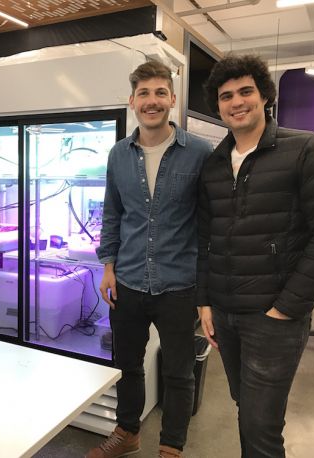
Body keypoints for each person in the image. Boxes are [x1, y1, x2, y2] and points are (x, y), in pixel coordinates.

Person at [197, 54, 314, 457]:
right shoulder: (213, 164)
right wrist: (205, 301)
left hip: (273, 319)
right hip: (225, 314)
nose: (236, 102)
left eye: (245, 91)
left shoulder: (307, 150)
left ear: (264, 95)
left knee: (262, 428)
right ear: (217, 105)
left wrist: (286, 308)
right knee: (246, 410)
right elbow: (205, 238)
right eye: (226, 95)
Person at [88, 59, 213, 458]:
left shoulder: (199, 152)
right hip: (126, 280)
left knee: (178, 372)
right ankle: (128, 433)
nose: (152, 101)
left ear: (172, 100)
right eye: (144, 93)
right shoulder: (118, 155)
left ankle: (171, 447)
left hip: (179, 284)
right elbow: (113, 213)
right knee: (126, 364)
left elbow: (210, 222)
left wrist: (207, 289)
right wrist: (107, 267)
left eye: (160, 92)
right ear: (132, 101)